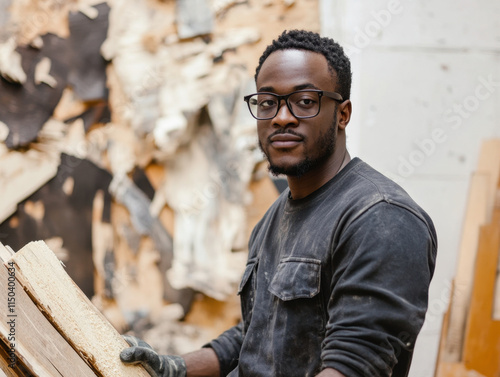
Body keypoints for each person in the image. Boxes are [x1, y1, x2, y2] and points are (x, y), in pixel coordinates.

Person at [120, 29, 437, 377]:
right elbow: (256, 334)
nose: (281, 117)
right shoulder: (273, 218)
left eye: (304, 101)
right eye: (268, 102)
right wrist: (176, 367)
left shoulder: (381, 218)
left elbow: (353, 367)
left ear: (342, 114)